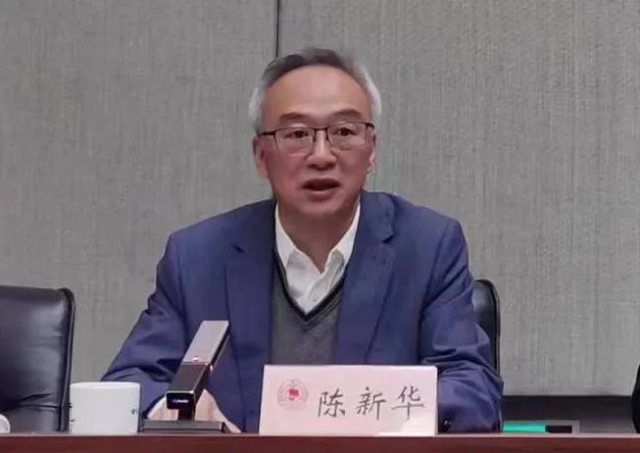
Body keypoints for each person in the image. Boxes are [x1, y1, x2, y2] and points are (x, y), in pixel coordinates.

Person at [102, 47, 503, 433]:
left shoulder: (427, 247)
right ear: (261, 156)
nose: (322, 155)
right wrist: (174, 407)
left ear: (371, 150)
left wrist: (377, 411)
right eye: (297, 134)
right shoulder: (197, 258)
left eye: (344, 131)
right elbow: (129, 383)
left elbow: (472, 388)